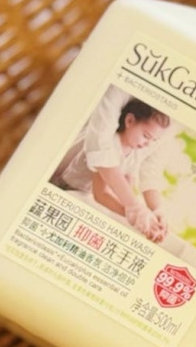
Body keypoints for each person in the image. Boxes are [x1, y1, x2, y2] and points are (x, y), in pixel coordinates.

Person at [52, 86, 172, 242]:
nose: (147, 144)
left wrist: (149, 220)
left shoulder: (135, 154)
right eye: (146, 136)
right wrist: (134, 216)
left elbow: (128, 189)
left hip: (84, 194)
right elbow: (101, 195)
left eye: (153, 140)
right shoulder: (110, 145)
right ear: (129, 121)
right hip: (67, 187)